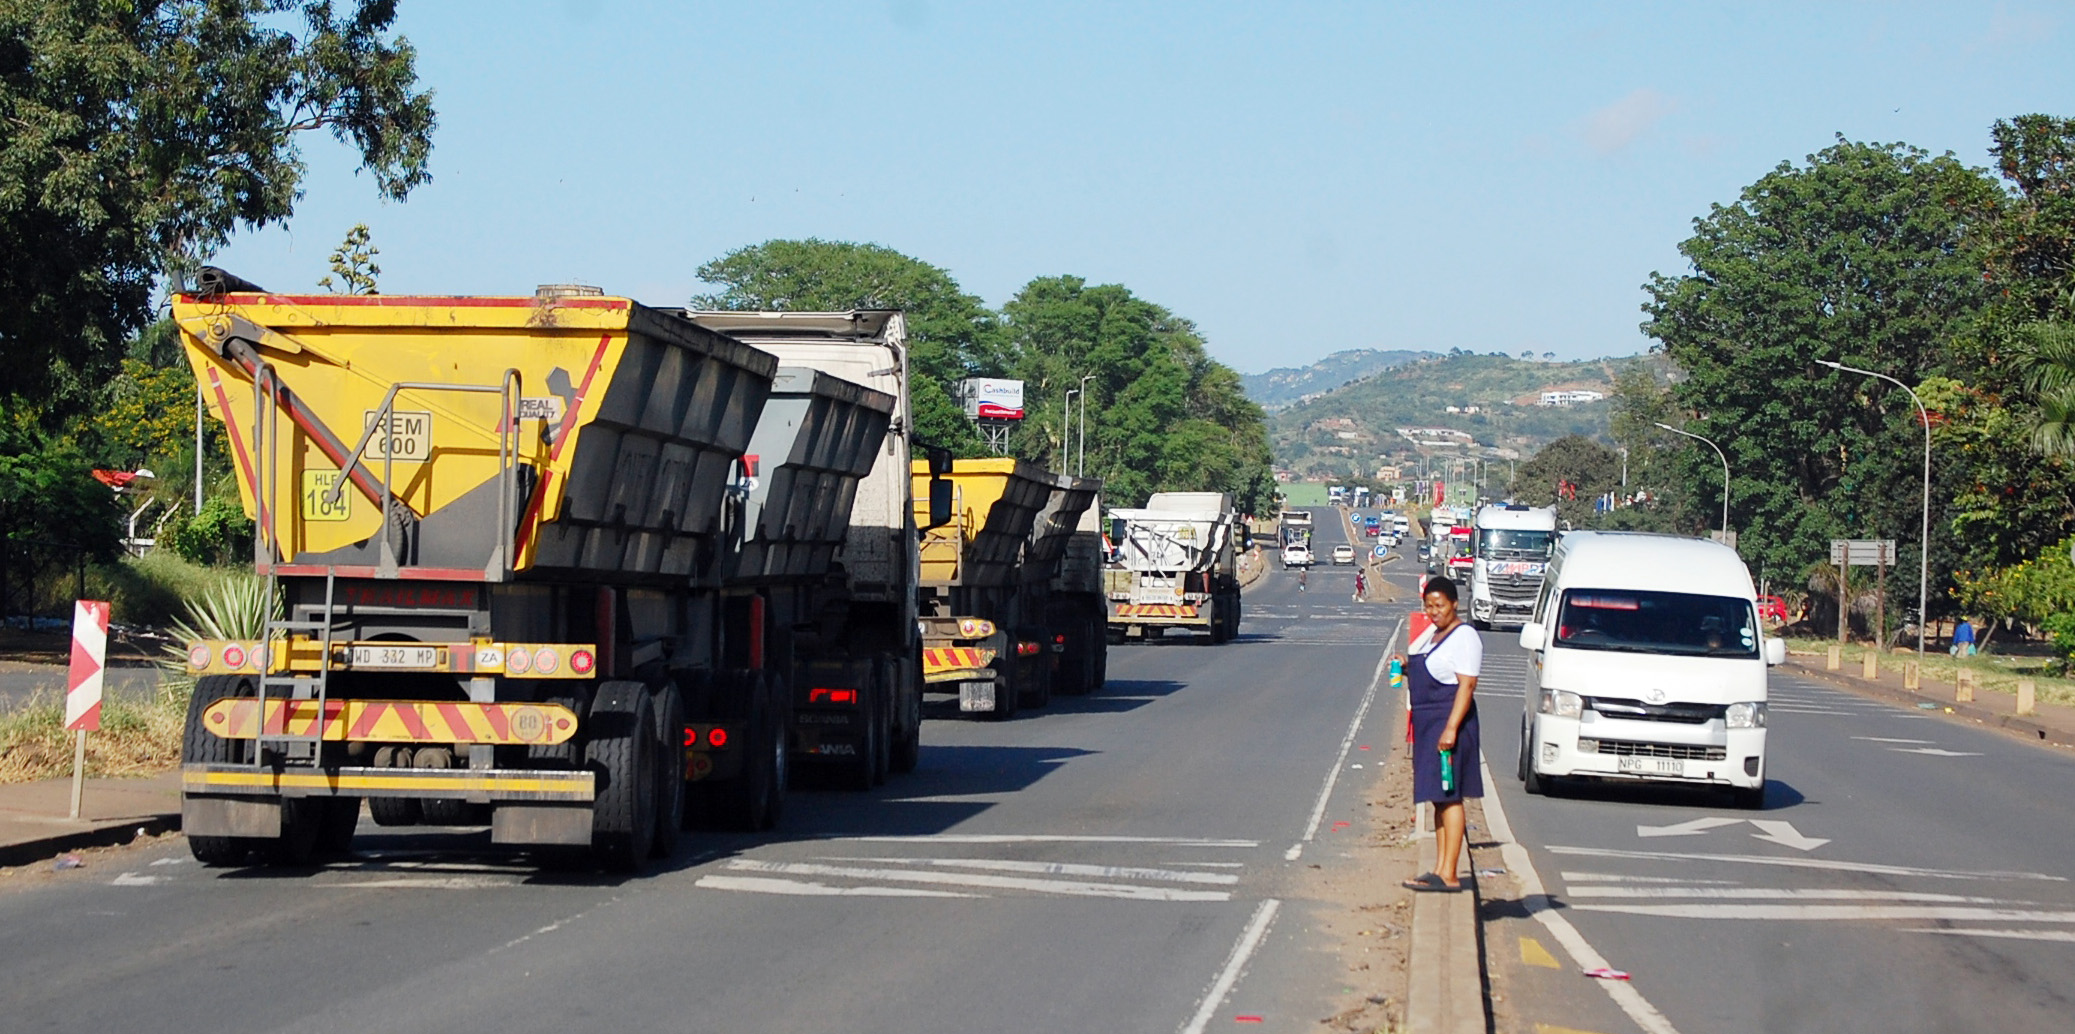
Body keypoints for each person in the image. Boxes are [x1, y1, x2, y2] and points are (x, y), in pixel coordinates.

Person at [1396, 575, 1482, 892]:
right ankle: (1439, 868)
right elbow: (1433, 669)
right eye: (1429, 606)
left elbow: (1467, 685)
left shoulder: (1465, 637)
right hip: (1429, 725)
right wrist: (1405, 667)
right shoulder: (1434, 635)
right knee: (1437, 798)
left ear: (1454, 604)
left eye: (1440, 605)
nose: (1434, 612)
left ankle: (1449, 873)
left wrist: (1451, 728)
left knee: (1451, 797)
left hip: (1449, 724)